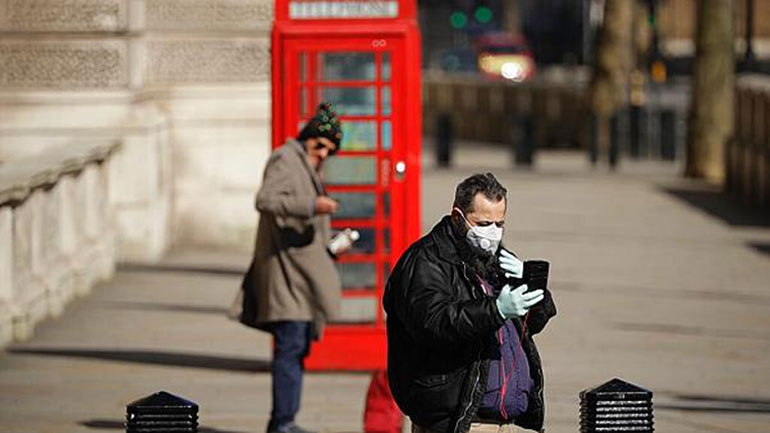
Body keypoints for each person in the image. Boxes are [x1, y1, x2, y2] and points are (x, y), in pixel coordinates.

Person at [383, 173, 557, 433]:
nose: (493, 233)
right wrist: (495, 310)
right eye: (484, 222)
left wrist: (532, 288)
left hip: (510, 421)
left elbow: (530, 325)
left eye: (500, 224)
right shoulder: (425, 261)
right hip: (459, 419)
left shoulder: (495, 258)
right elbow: (434, 323)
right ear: (457, 217)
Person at [244, 102, 345, 433]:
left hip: (301, 275)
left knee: (297, 348)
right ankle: (282, 423)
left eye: (330, 151)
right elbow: (265, 200)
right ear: (309, 137)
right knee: (289, 349)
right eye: (320, 146)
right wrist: (311, 205)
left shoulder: (307, 163)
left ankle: (285, 420)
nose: (324, 155)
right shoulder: (286, 159)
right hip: (285, 275)